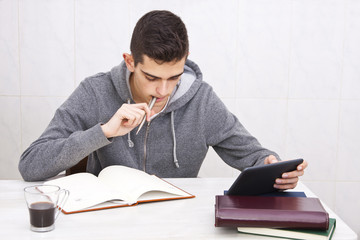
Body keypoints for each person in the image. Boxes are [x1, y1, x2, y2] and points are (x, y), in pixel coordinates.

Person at [19, 10, 307, 189]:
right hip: (108, 222)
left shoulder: (202, 101)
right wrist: (104, 132)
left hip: (176, 222)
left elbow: (253, 155)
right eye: (152, 77)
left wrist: (273, 166)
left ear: (185, 62)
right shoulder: (95, 92)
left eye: (174, 77)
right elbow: (31, 166)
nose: (163, 90)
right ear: (130, 61)